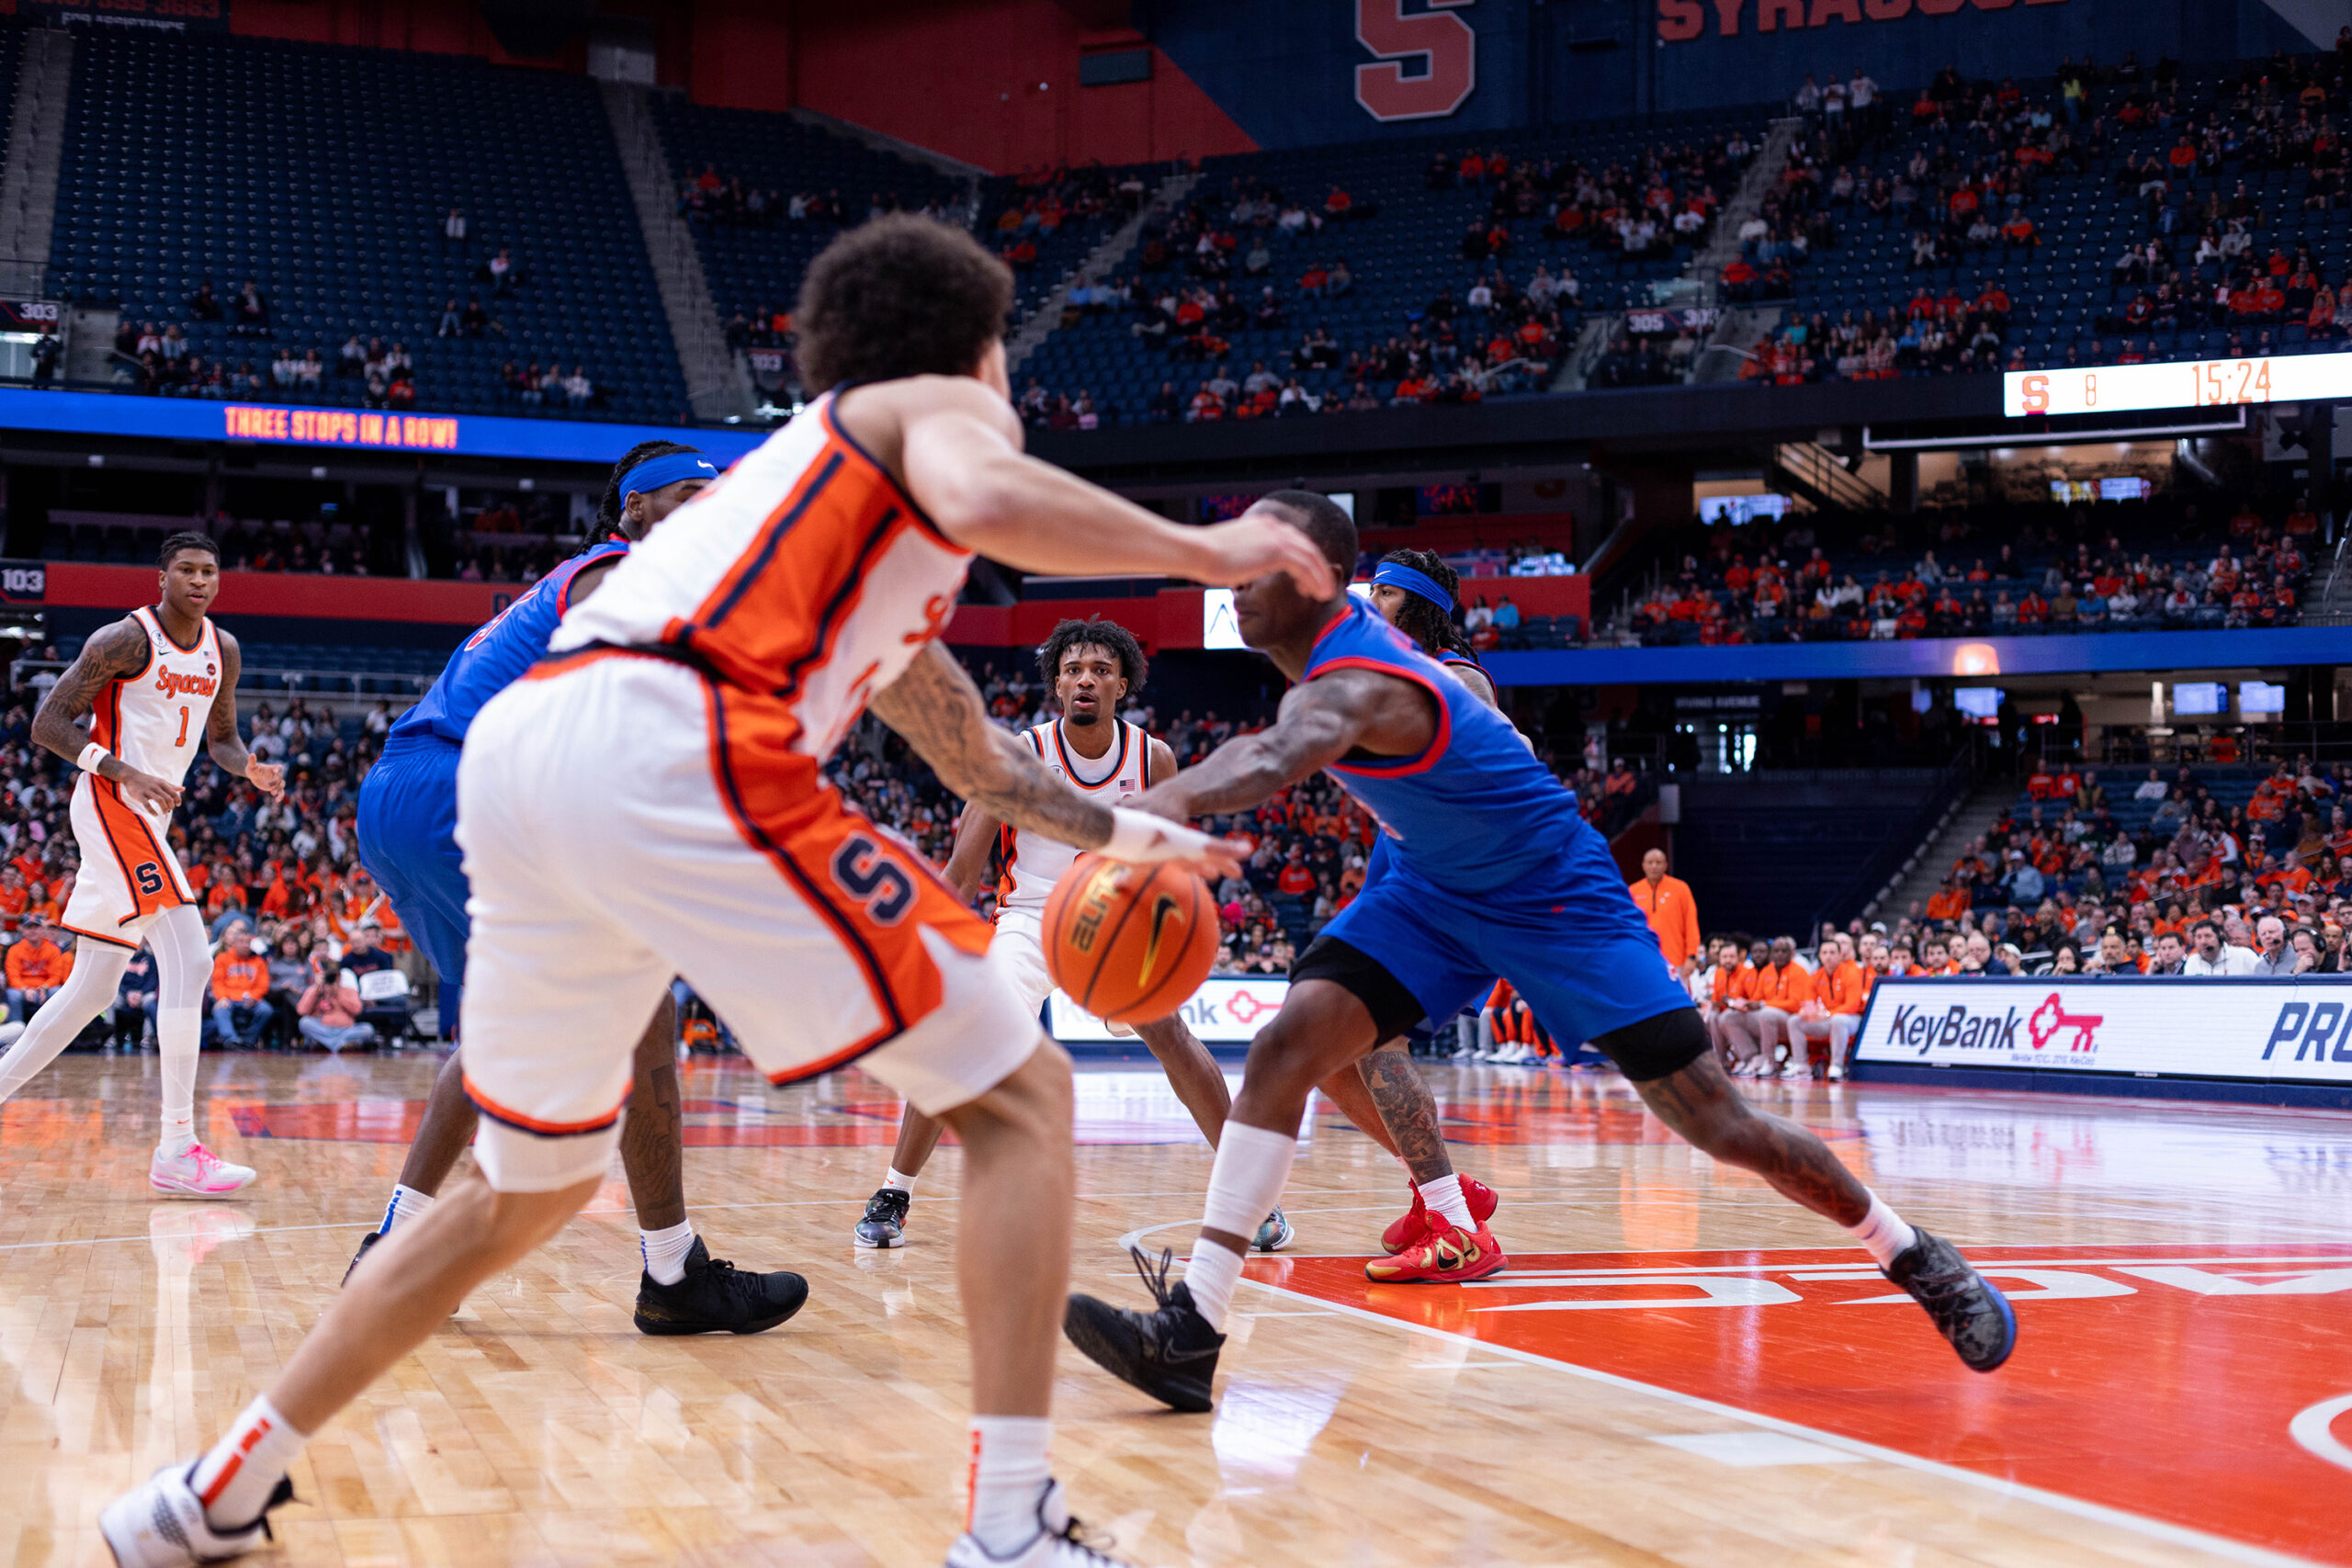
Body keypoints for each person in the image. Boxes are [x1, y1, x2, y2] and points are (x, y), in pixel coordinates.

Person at [101, 214, 1332, 1568]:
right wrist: (1218, 550)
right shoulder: (909, 407)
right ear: (973, 351)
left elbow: (972, 753)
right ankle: (1011, 1525)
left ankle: (205, 1491)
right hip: (673, 745)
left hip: (529, 766)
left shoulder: (820, 520)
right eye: (1001, 362)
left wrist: (1124, 831)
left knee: (525, 1186)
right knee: (1026, 1095)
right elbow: (995, 492)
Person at [1061, 491, 2016, 1420]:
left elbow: (1271, 759)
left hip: (1554, 895)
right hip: (1430, 893)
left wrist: (1154, 805)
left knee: (1720, 1124)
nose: (1234, 576)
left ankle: (1910, 1252)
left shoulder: (1366, 677)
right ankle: (1194, 1332)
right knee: (1285, 1048)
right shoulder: (1330, 655)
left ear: (1320, 580)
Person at [344, 440, 806, 1339]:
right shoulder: (623, 574)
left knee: (518, 1037)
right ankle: (671, 1273)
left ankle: (396, 1244)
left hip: (409, 792)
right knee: (636, 1019)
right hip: (463, 786)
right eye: (684, 499)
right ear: (631, 513)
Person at [854, 616, 1295, 1254]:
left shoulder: (1153, 757)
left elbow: (1166, 861)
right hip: (1030, 920)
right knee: (962, 1032)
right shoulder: (1019, 754)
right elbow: (963, 869)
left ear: (1123, 684)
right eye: (1072, 670)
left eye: (1099, 670)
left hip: (1114, 925)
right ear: (1056, 685)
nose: (1085, 679)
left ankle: (1249, 1194)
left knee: (1172, 1032)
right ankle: (895, 1190)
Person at [0, 534, 279, 1196]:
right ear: (161, 576)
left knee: (92, 990)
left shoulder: (223, 649)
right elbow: (48, 722)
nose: (199, 580)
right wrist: (122, 768)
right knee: (191, 954)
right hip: (110, 800)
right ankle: (178, 1146)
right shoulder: (122, 640)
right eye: (186, 569)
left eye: (210, 570)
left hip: (149, 816)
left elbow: (222, 738)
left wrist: (250, 767)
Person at [1629, 847, 1702, 974]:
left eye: (1658, 862)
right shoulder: (1633, 891)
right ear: (1643, 865)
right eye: (1650, 862)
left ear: (1666, 865)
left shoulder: (1681, 889)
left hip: (1675, 961)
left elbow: (1691, 924)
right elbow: (1627, 927)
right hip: (1643, 959)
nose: (1654, 866)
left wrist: (1691, 955)